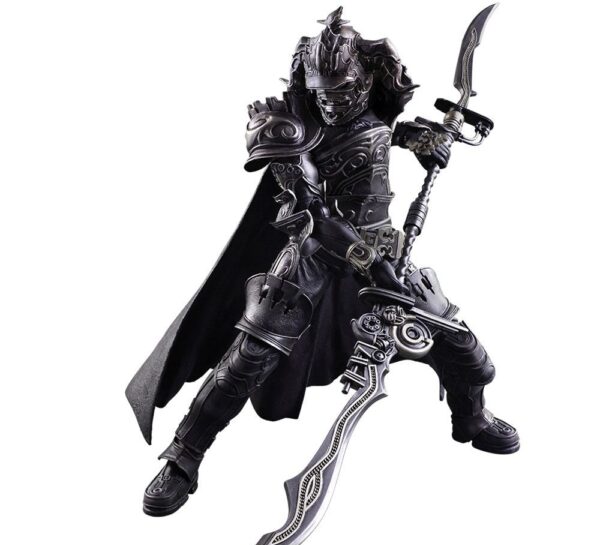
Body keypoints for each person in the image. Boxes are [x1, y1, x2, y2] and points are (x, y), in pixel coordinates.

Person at [126, 7, 519, 518]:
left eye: (344, 91)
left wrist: (426, 140)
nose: (333, 103)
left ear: (366, 79)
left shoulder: (373, 109)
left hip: (385, 250)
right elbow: (309, 212)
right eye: (323, 94)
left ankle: (470, 418)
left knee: (463, 348)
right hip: (313, 257)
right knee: (247, 359)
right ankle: (183, 457)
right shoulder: (286, 129)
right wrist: (364, 260)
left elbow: (380, 133)